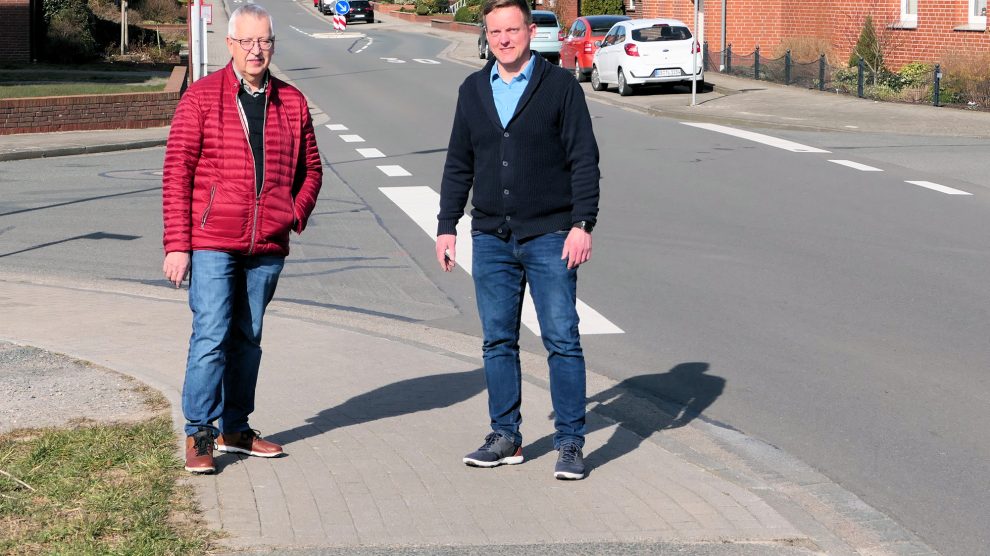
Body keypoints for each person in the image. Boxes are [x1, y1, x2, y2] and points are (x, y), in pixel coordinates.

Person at [435, 0, 601, 480]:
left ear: (530, 31)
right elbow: (458, 163)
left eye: (513, 30)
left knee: (562, 340)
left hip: (551, 235)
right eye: (495, 32)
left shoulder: (560, 88)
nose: (504, 39)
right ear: (485, 36)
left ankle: (570, 442)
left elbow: (584, 160)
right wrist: (447, 226)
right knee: (497, 342)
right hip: (490, 236)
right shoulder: (472, 90)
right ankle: (505, 435)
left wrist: (582, 223)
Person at [161, 4, 323, 474]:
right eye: (247, 42)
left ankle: (236, 427)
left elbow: (311, 169)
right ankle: (199, 432)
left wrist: (293, 212)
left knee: (248, 339)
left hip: (267, 242)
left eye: (265, 42)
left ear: (273, 44)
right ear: (229, 44)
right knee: (212, 334)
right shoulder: (201, 98)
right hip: (212, 237)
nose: (257, 50)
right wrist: (177, 243)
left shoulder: (291, 102)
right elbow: (177, 172)